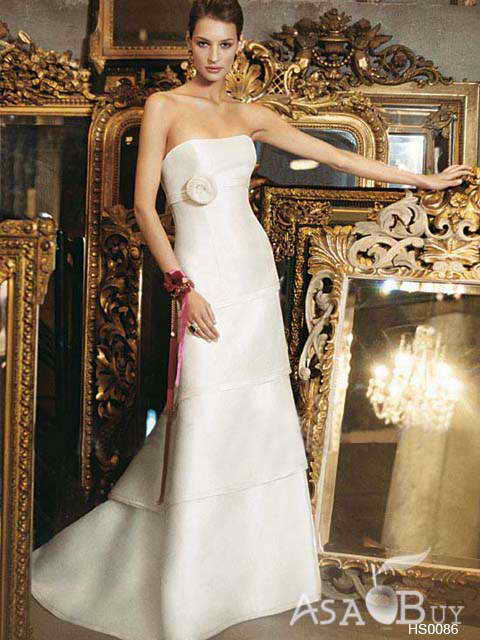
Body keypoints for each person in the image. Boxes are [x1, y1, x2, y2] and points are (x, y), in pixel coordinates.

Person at [30, 1, 471, 639]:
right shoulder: (163, 108)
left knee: (255, 417)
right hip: (200, 279)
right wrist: (181, 286)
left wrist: (420, 181)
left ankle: (253, 579)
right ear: (188, 45)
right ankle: (188, 588)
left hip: (251, 277)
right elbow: (145, 207)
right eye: (203, 43)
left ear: (239, 47)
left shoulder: (250, 115)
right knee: (204, 413)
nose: (213, 56)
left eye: (225, 44)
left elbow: (338, 158)